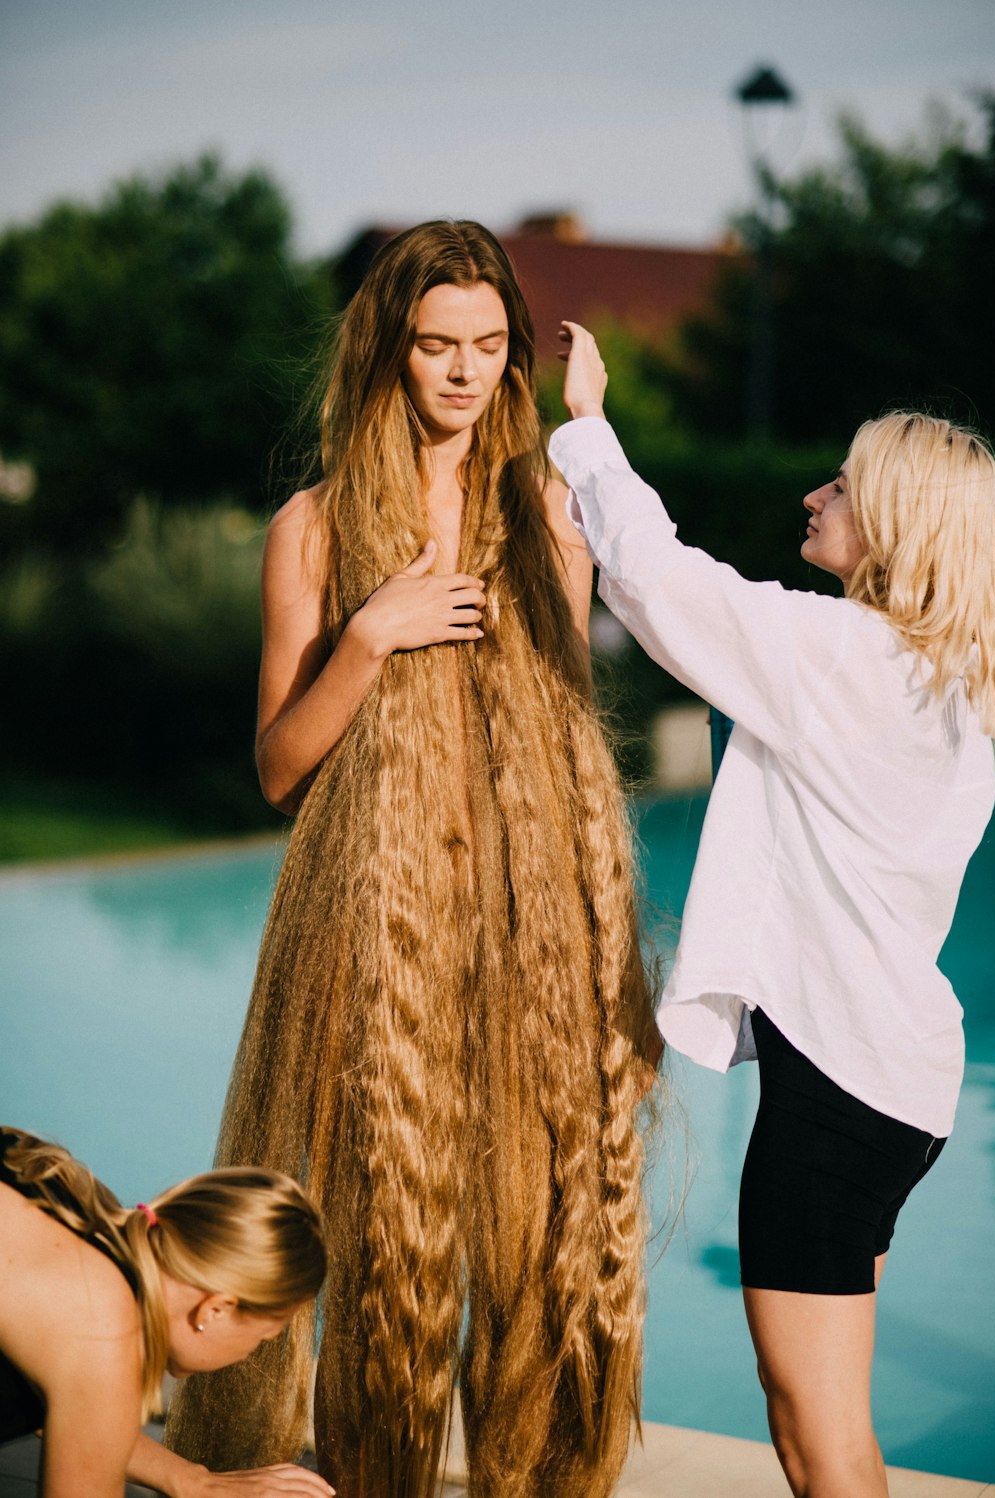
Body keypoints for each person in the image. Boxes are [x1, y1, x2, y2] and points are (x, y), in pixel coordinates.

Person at [166, 223, 659, 1498]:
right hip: (372, 921)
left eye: (490, 348)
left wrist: (590, 448)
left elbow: (567, 714)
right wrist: (370, 636)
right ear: (389, 352)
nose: (463, 373)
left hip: (529, 915)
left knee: (536, 1232)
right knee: (379, 1231)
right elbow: (279, 768)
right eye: (436, 346)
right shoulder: (315, 528)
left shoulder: (548, 511)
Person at [550, 324, 995, 1498]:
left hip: (838, 1098)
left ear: (894, 522)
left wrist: (588, 423)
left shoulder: (842, 656)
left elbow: (654, 579)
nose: (812, 495)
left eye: (841, 484)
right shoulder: (951, 686)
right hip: (892, 1086)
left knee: (815, 1438)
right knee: (831, 1423)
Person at [0, 1124, 330, 1498]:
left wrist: (193, 1480)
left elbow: (79, 1411)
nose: (247, 1355)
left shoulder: (74, 1205)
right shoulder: (107, 1333)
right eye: (262, 1338)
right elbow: (94, 1385)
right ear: (215, 1309)